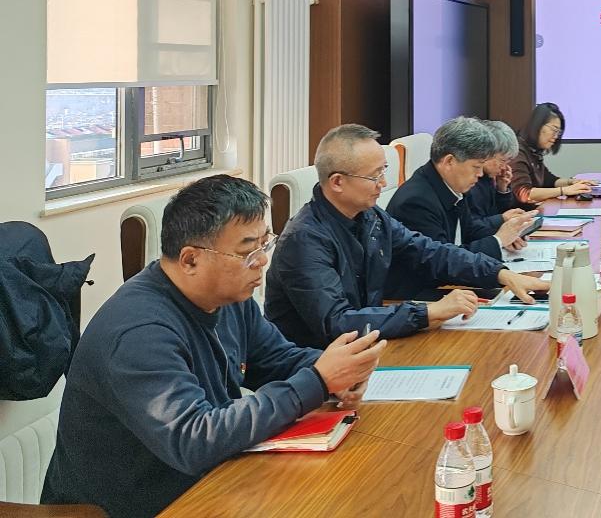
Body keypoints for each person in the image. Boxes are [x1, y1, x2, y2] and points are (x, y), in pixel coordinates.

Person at [42, 174, 386, 518]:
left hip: (208, 481)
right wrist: (318, 380)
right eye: (247, 251)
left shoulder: (229, 298)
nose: (262, 261)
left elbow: (276, 359)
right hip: (137, 506)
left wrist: (338, 371)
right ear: (190, 260)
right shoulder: (139, 332)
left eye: (264, 244)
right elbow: (194, 439)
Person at [265, 124, 548, 349]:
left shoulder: (371, 216)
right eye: (374, 176)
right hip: (315, 364)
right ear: (337, 181)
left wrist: (500, 273)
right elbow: (337, 321)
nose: (383, 183)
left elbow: (429, 251)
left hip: (368, 343)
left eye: (383, 171)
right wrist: (428, 313)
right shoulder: (304, 240)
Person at [386, 116, 538, 258]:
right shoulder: (416, 202)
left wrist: (506, 235)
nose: (480, 174)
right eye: (476, 167)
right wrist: (497, 240)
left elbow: (470, 231)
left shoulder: (451, 186)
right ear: (449, 162)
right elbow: (442, 261)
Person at [509, 102, 593, 205]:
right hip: (519, 213)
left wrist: (572, 182)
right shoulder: (517, 151)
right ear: (537, 125)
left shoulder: (533, 151)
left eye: (558, 132)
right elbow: (525, 193)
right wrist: (564, 190)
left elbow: (550, 181)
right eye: (554, 129)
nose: (556, 136)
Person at [465, 120, 536, 238]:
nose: (504, 167)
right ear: (486, 152)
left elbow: (495, 211)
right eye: (503, 160)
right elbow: (470, 228)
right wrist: (502, 218)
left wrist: (502, 189)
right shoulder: (469, 180)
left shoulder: (488, 178)